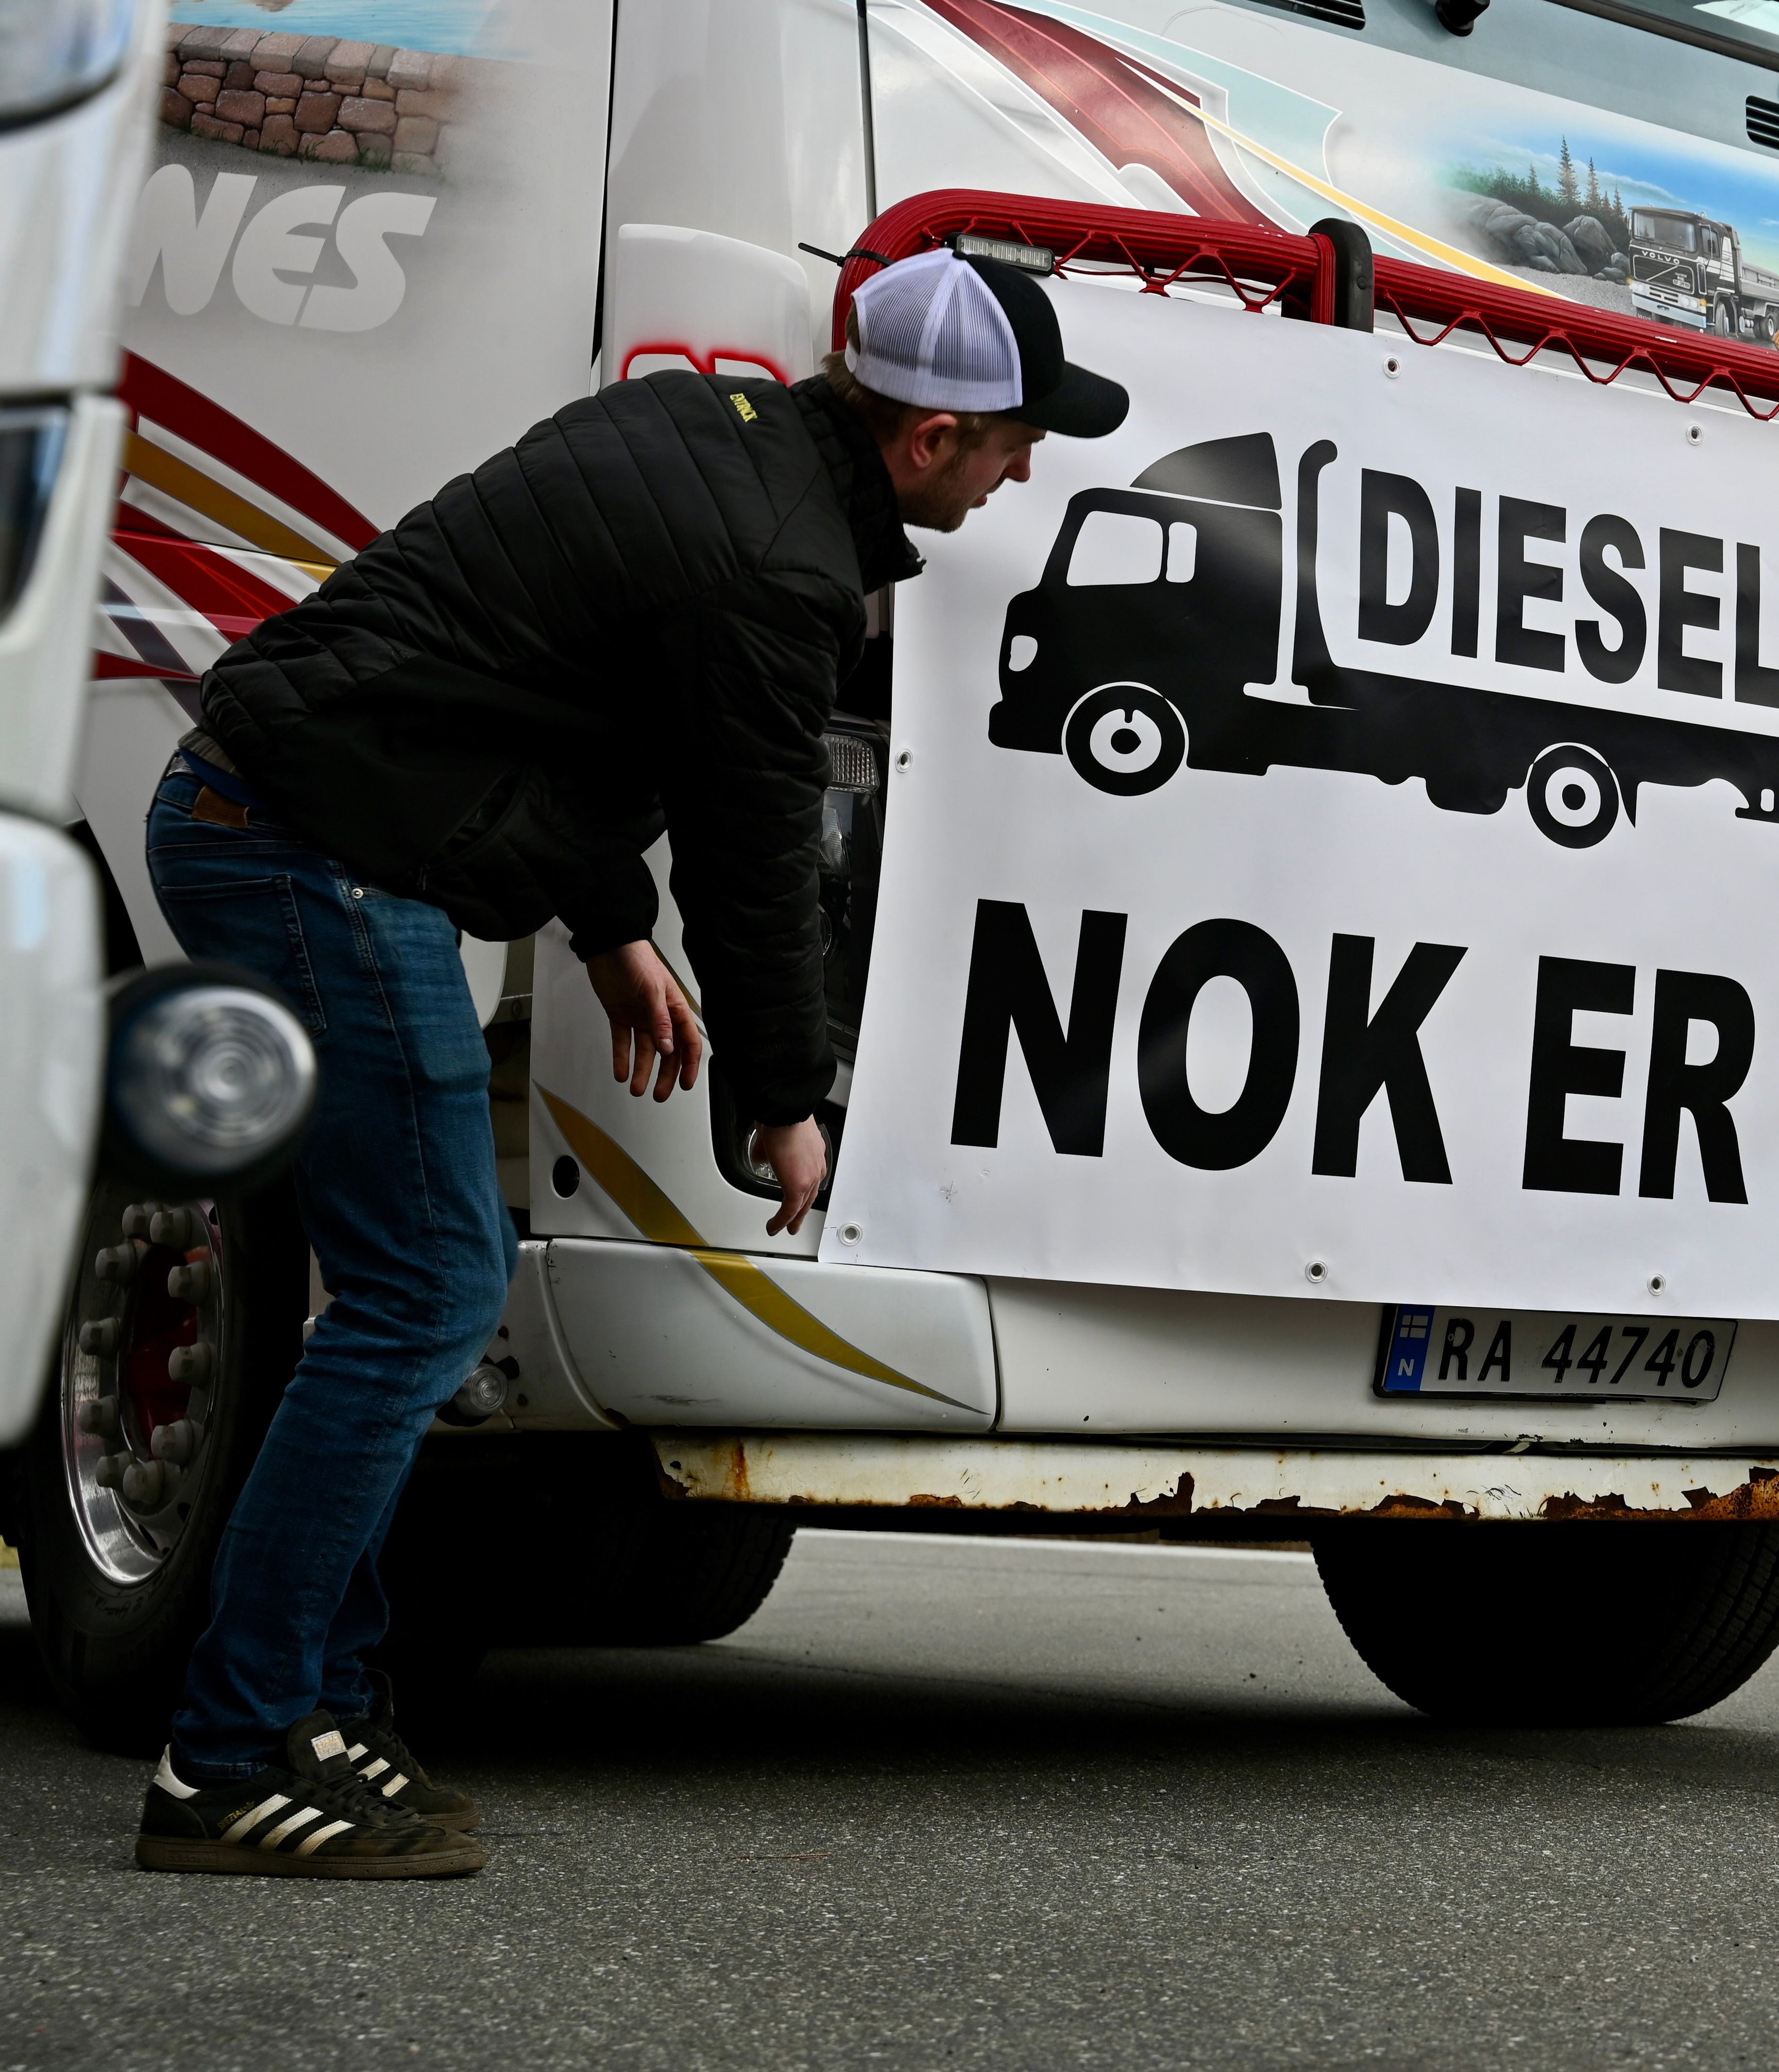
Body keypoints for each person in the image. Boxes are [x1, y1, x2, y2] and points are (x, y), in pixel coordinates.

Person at [130, 250, 1125, 1878]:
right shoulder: (782, 567)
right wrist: (787, 1106)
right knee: (429, 1291)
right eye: (1020, 435)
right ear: (932, 436)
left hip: (301, 817)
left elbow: (543, 679)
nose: (1034, 463)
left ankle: (320, 1706)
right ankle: (229, 1754)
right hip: (308, 848)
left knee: (399, 1292)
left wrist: (604, 925)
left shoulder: (711, 427)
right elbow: (755, 859)